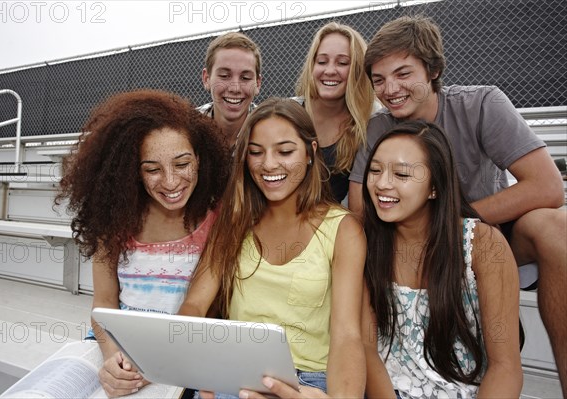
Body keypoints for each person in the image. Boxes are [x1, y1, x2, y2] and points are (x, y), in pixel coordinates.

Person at [347, 16, 567, 394]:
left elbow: (547, 187)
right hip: (408, 245)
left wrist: (457, 226)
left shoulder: (481, 104)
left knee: (554, 226)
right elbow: (360, 210)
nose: (390, 89)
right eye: (379, 79)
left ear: (432, 70)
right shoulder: (378, 129)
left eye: (403, 74)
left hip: (486, 236)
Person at [179, 98, 367, 398]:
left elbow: (347, 335)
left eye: (285, 151)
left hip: (307, 383)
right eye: (255, 152)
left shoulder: (344, 230)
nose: (268, 164)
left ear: (310, 152)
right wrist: (205, 364)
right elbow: (195, 305)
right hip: (237, 373)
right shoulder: (235, 220)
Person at [56, 90, 230, 397]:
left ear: (200, 160)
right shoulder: (114, 219)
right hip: (116, 346)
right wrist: (113, 357)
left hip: (182, 347)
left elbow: (195, 306)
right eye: (152, 169)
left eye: (182, 164)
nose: (171, 181)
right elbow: (104, 304)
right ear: (133, 172)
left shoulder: (217, 219)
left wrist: (152, 361)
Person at [362, 120, 522, 398]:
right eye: (375, 170)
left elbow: (505, 367)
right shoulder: (364, 241)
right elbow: (366, 349)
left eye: (401, 174)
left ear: (434, 187)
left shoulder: (482, 245)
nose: (382, 184)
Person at [294, 22, 377, 203]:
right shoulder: (289, 114)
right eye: (322, 61)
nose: (330, 70)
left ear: (356, 70)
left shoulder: (371, 121)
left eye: (342, 63)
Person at [198, 31, 262, 148]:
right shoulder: (186, 128)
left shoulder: (270, 129)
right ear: (206, 78)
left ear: (257, 84)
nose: (235, 88)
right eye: (224, 76)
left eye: (245, 78)